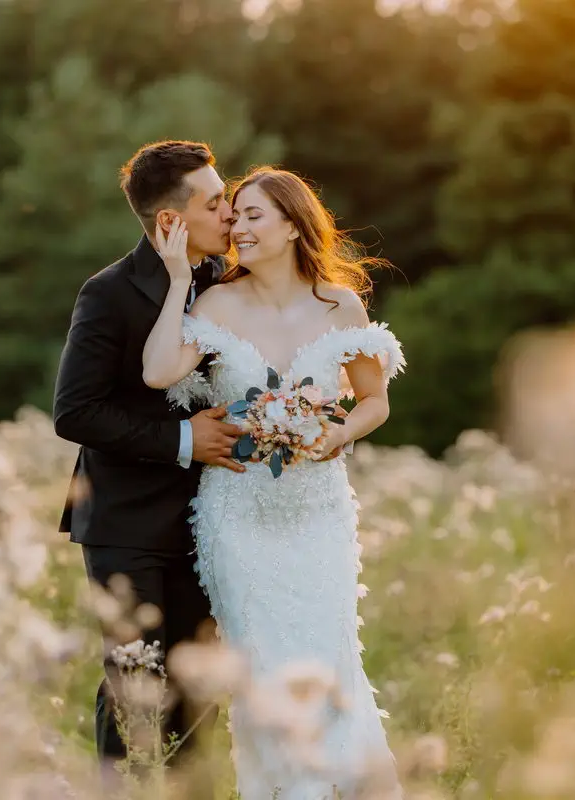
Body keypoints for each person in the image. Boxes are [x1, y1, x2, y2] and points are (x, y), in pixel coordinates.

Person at [141, 166, 406, 798]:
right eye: (233, 215)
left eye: (252, 215)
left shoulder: (339, 304)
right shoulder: (214, 303)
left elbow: (374, 402)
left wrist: (337, 433)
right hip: (238, 517)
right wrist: (179, 279)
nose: (236, 227)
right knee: (265, 667)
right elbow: (156, 373)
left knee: (330, 657)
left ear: (292, 223)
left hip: (319, 515)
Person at [52, 140, 246, 783]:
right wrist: (184, 441)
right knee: (133, 686)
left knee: (200, 696)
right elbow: (75, 411)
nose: (231, 211)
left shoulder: (233, 284)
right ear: (171, 221)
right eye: (215, 202)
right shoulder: (108, 292)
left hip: (211, 522)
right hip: (125, 525)